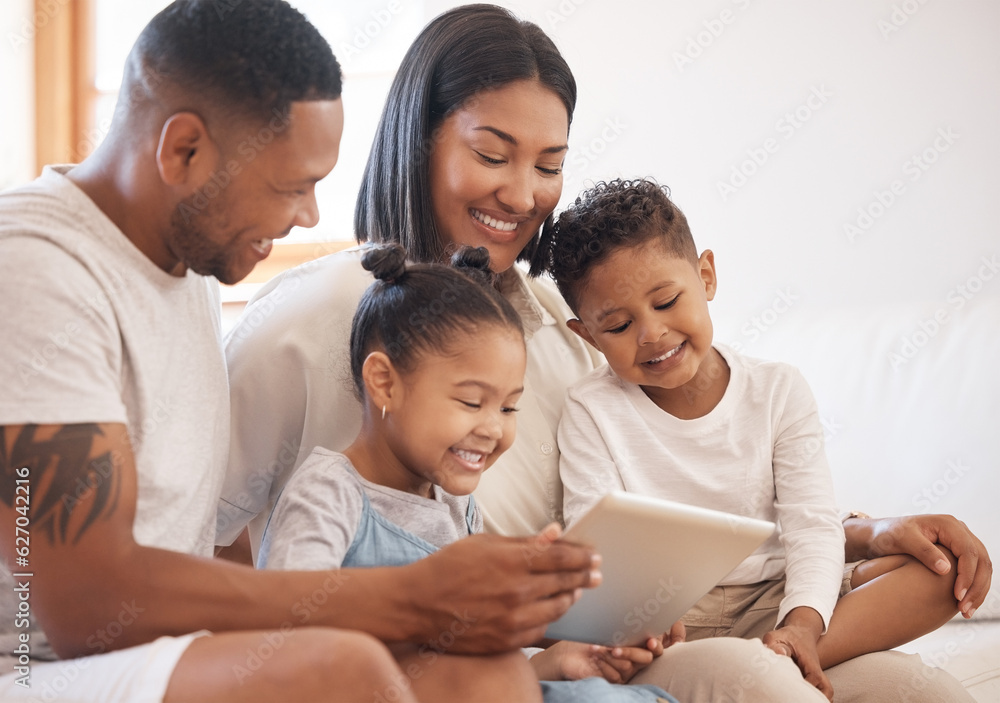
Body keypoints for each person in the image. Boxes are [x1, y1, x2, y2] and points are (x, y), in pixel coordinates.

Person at [219, 3, 992, 702]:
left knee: (907, 686)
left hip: (604, 635)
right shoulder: (313, 319)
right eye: (494, 155)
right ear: (418, 142)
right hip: (510, 662)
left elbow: (690, 505)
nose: (524, 195)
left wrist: (871, 530)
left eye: (549, 165)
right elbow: (210, 546)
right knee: (756, 679)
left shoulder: (566, 324)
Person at [0, 2, 600, 702]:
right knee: (341, 668)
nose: (310, 215)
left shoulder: (182, 260)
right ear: (184, 150)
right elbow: (84, 607)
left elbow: (209, 541)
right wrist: (411, 596)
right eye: (292, 186)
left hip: (157, 650)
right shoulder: (38, 268)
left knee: (486, 672)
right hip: (31, 663)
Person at [542, 177, 971, 700]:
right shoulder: (591, 408)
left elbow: (812, 526)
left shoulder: (777, 389)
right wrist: (644, 620)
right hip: (674, 621)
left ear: (705, 276)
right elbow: (604, 547)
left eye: (667, 301)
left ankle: (789, 652)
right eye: (618, 326)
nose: (650, 334)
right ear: (586, 334)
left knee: (942, 573)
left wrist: (804, 624)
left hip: (775, 599)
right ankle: (763, 665)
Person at [259, 242, 680, 702]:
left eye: (508, 406)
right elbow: (290, 633)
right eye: (470, 402)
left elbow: (472, 651)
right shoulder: (327, 494)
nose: (494, 428)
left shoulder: (456, 503)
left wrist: (558, 655)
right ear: (384, 382)